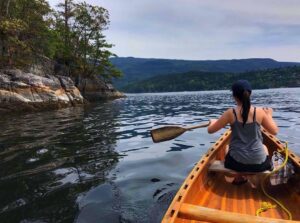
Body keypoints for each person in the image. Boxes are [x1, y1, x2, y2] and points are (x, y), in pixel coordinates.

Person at [207, 80, 278, 184]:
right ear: (250, 94)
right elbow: (274, 131)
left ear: (234, 96)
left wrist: (212, 122)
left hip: (236, 164)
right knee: (264, 147)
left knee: (227, 147)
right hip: (260, 165)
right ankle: (249, 175)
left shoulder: (230, 113)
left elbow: (210, 130)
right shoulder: (260, 112)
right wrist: (269, 116)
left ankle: (240, 174)